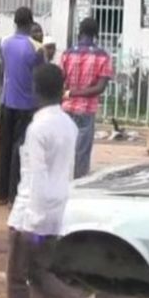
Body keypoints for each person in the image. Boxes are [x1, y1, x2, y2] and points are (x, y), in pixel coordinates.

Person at [4, 63, 108, 298]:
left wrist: (30, 227)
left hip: (30, 217)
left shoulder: (38, 128)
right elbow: (65, 173)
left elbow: (35, 177)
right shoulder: (69, 125)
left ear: (35, 91)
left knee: (16, 279)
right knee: (39, 275)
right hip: (54, 213)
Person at [0, 7, 44, 205]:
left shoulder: (4, 43)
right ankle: (14, 194)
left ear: (15, 22)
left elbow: (4, 67)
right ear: (31, 22)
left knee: (4, 147)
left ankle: (0, 194)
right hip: (27, 104)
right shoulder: (36, 47)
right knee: (21, 149)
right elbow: (40, 75)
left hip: (7, 101)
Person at [61, 18, 113, 178]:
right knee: (82, 153)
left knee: (62, 152)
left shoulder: (67, 53)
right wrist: (77, 93)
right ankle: (79, 186)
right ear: (96, 34)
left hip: (66, 108)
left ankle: (58, 184)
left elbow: (60, 80)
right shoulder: (103, 57)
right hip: (86, 110)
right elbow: (100, 88)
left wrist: (69, 93)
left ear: (80, 32)